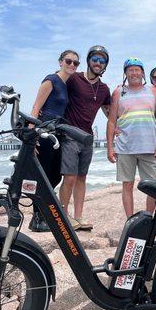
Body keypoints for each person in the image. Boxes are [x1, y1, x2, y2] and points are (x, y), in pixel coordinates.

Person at [59, 45, 112, 231]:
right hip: (70, 135)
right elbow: (55, 85)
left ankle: (78, 217)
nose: (98, 63)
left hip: (87, 138)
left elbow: (109, 112)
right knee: (70, 177)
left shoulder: (104, 89)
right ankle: (63, 217)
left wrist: (119, 127)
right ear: (89, 60)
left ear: (105, 65)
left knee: (82, 177)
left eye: (102, 60)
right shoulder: (74, 78)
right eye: (95, 59)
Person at [107, 58, 156, 217]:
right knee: (127, 184)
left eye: (137, 70)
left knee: (153, 187)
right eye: (130, 70)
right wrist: (110, 147)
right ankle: (130, 219)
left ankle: (148, 218)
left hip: (149, 146)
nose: (134, 73)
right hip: (125, 147)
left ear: (142, 72)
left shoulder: (152, 90)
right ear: (125, 73)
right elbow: (112, 120)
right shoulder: (119, 92)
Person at [28, 50, 79, 232]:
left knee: (56, 175)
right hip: (43, 133)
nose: (72, 65)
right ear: (60, 62)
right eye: (68, 61)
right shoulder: (51, 80)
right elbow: (36, 107)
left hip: (56, 133)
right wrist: (31, 138)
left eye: (75, 63)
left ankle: (43, 212)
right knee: (43, 177)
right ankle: (37, 219)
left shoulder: (65, 85)